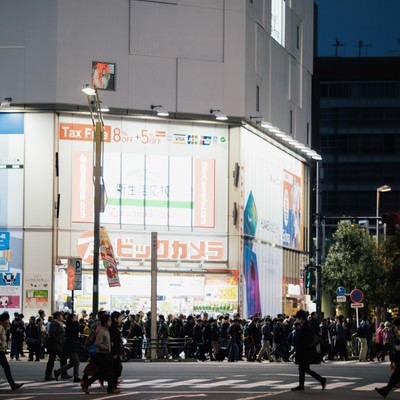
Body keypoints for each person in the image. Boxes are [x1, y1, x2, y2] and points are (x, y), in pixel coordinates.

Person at [80, 313, 119, 394]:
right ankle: (110, 388)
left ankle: (86, 383)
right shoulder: (101, 330)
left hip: (105, 354)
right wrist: (107, 347)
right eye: (109, 321)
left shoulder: (105, 329)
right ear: (105, 322)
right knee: (109, 371)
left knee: (102, 372)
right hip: (102, 354)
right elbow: (98, 343)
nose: (110, 322)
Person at [291, 310, 327, 391]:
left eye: (298, 318)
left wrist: (301, 345)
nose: (298, 320)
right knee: (304, 369)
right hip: (304, 351)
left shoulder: (306, 326)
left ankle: (320, 380)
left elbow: (307, 339)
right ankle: (302, 385)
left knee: (304, 368)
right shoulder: (305, 325)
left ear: (301, 318)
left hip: (305, 351)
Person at [375, 317, 400, 398]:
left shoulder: (393, 330)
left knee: (396, 375)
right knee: (396, 374)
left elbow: (390, 343)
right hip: (397, 354)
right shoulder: (393, 330)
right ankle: (385, 390)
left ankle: (385, 390)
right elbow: (392, 343)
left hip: (396, 354)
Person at [44, 311, 71, 381]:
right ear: (58, 317)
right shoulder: (54, 323)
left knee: (59, 358)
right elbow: (52, 334)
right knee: (54, 359)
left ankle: (62, 373)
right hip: (54, 345)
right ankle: (50, 375)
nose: (62, 317)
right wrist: (59, 340)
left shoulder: (59, 323)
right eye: (61, 316)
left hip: (57, 345)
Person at [54, 313, 81, 382]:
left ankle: (58, 371)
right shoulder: (72, 325)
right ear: (72, 318)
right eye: (75, 317)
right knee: (76, 362)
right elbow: (76, 331)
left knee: (72, 363)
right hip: (71, 346)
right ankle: (76, 377)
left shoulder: (69, 324)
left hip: (72, 345)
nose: (76, 318)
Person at [0, 312, 23, 390]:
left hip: (1, 351)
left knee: (7, 368)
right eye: (7, 319)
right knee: (6, 368)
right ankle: (12, 384)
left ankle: (12, 384)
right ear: (2, 320)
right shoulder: (0, 327)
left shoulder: (3, 327)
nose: (8, 321)